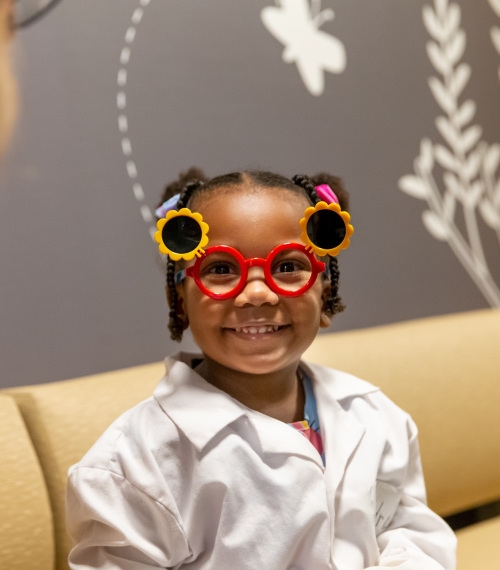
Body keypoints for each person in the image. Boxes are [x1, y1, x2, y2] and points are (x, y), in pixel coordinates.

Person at [66, 169, 457, 569]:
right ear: (179, 301)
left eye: (288, 267)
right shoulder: (133, 463)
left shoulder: (375, 415)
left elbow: (406, 529)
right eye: (220, 269)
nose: (256, 294)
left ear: (326, 294)